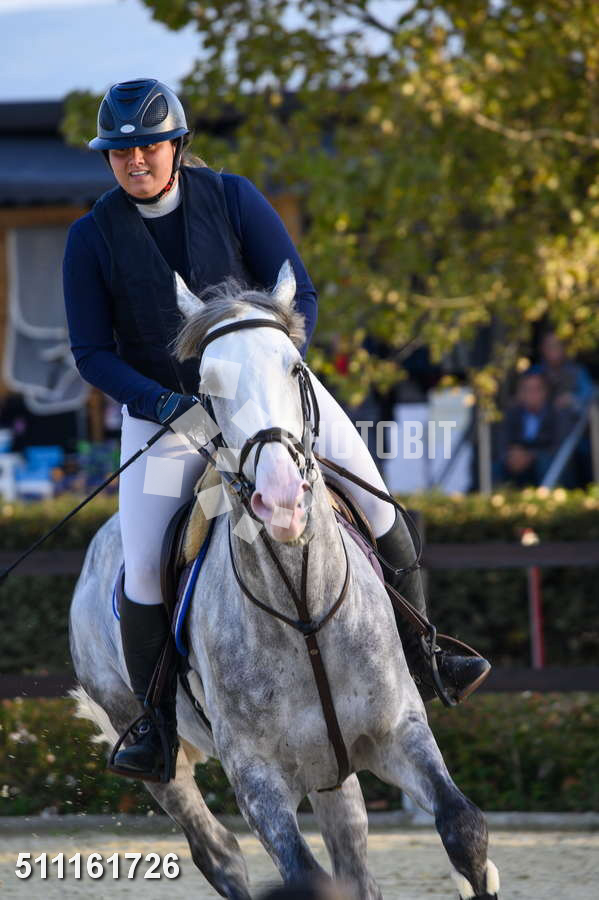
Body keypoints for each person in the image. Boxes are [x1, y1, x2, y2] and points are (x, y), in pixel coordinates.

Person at [63, 78, 490, 783]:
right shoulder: (91, 235)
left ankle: (427, 655)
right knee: (142, 565)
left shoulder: (232, 197)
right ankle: (156, 727)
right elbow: (90, 353)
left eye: (148, 147)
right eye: (120, 151)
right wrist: (164, 404)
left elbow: (302, 292)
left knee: (379, 504)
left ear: (176, 146)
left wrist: (280, 371)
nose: (135, 160)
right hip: (170, 417)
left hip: (268, 402)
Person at [497, 371, 574, 486]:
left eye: (536, 389)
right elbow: (502, 442)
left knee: (546, 463)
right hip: (517, 459)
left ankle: (547, 495)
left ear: (545, 392)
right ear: (520, 393)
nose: (531, 394)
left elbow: (559, 446)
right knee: (499, 465)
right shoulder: (512, 413)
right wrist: (512, 455)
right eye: (527, 390)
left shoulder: (557, 414)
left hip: (543, 458)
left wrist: (531, 456)